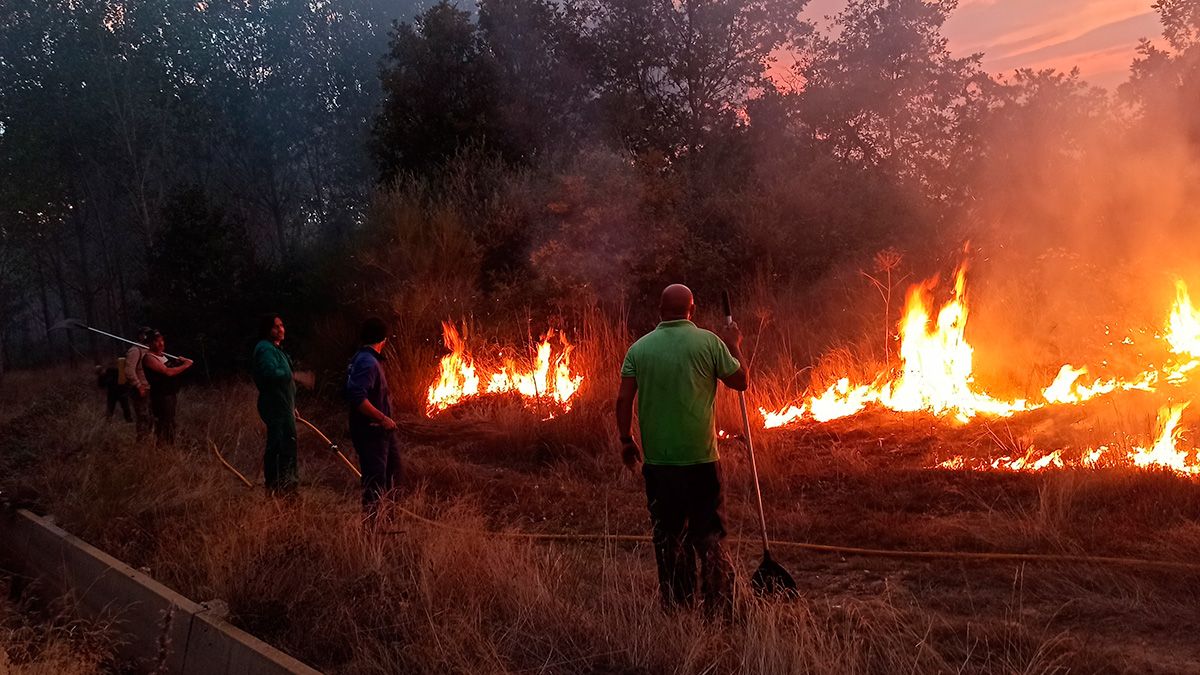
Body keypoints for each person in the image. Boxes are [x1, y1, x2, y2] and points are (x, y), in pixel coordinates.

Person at [615, 284, 748, 614]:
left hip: (660, 464)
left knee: (668, 535)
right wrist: (734, 346)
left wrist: (625, 439)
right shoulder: (710, 343)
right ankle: (718, 608)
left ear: (660, 309)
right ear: (692, 309)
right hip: (702, 460)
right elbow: (741, 380)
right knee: (710, 535)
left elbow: (622, 400)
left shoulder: (639, 349)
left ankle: (677, 605)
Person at [345, 317, 401, 523]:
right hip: (372, 432)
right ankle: (373, 529)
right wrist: (383, 417)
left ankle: (387, 522)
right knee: (375, 483)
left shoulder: (365, 359)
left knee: (392, 476)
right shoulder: (368, 362)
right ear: (383, 338)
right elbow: (358, 398)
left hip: (381, 431)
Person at [252, 314, 299, 494]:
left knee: (287, 444)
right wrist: (291, 375)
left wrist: (292, 406)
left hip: (284, 405)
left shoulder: (275, 349)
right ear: (267, 330)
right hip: (275, 407)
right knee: (280, 447)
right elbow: (269, 374)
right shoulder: (265, 349)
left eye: (281, 325)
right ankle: (280, 489)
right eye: (275, 327)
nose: (280, 329)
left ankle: (286, 487)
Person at [141, 329, 193, 445]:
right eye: (156, 341)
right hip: (161, 396)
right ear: (149, 343)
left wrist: (180, 362)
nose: (161, 344)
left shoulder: (162, 356)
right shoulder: (149, 358)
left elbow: (172, 369)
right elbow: (168, 372)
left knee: (170, 423)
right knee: (164, 424)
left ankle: (170, 447)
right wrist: (185, 365)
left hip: (170, 394)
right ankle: (162, 450)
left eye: (162, 340)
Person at [125, 329, 154, 440]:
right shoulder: (135, 350)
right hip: (140, 390)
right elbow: (129, 371)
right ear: (140, 336)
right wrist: (138, 385)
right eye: (145, 334)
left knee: (151, 416)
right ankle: (142, 441)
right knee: (143, 416)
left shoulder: (148, 350)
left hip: (151, 388)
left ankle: (150, 440)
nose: (147, 337)